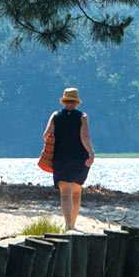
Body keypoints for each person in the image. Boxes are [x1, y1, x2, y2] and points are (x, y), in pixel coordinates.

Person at [44, 87, 94, 231]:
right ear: (77, 102)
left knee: (65, 194)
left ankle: (67, 225)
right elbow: (84, 137)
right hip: (79, 158)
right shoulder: (82, 116)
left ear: (64, 100)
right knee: (77, 193)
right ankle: (73, 224)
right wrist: (91, 153)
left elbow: (46, 135)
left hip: (60, 158)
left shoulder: (55, 115)